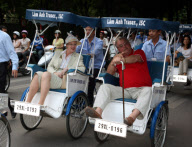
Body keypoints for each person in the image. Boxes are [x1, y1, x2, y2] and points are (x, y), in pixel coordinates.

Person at [85, 37, 152, 126]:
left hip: (141, 89)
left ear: (129, 44)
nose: (124, 47)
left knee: (148, 90)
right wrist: (113, 61)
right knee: (104, 87)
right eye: (120, 46)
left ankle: (131, 117)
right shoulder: (118, 58)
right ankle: (98, 112)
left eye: (126, 44)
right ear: (118, 49)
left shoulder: (139, 52)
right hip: (125, 90)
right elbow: (109, 73)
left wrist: (122, 61)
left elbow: (136, 58)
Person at [26, 33, 85, 105]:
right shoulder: (58, 54)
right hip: (53, 75)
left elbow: (82, 69)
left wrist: (67, 68)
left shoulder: (78, 57)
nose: (73, 46)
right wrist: (55, 73)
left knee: (46, 75)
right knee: (37, 75)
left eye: (75, 44)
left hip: (64, 79)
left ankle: (41, 103)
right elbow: (49, 66)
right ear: (66, 45)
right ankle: (27, 102)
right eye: (71, 44)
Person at [76, 26, 103, 106]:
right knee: (76, 80)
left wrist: (91, 54)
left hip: (95, 66)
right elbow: (76, 49)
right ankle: (78, 102)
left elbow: (95, 51)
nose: (87, 32)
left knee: (90, 85)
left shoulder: (99, 42)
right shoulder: (82, 41)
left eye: (89, 30)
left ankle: (90, 105)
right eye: (86, 30)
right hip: (84, 66)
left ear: (94, 32)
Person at [0, 30, 19, 118]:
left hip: (2, 65)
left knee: (1, 91)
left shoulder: (4, 36)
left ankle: (3, 113)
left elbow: (12, 52)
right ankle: (11, 106)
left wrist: (15, 66)